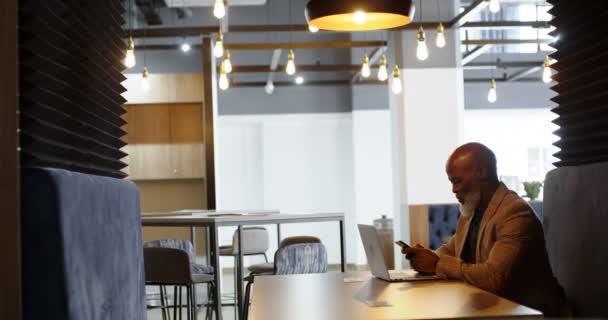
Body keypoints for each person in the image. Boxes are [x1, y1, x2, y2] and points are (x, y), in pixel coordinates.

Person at [402, 142, 568, 317]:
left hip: (531, 315)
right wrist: (426, 257)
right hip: (492, 309)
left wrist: (437, 264)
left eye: (457, 181)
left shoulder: (515, 212)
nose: (454, 189)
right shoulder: (472, 209)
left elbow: (494, 278)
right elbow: (452, 249)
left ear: (481, 172)